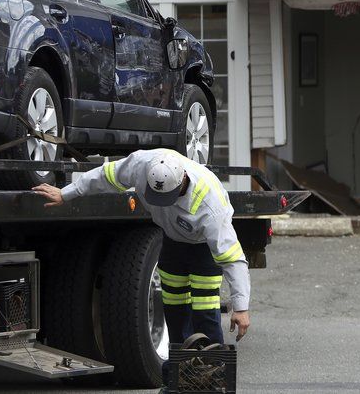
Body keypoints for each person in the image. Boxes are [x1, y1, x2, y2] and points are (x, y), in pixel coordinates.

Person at [33, 148, 251, 346]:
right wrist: (66, 193)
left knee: (204, 313)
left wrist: (240, 307)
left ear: (183, 179)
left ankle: (210, 376)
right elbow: (105, 175)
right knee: (174, 311)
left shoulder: (211, 207)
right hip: (172, 242)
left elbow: (233, 258)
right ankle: (178, 377)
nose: (160, 202)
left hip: (202, 248)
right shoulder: (141, 164)